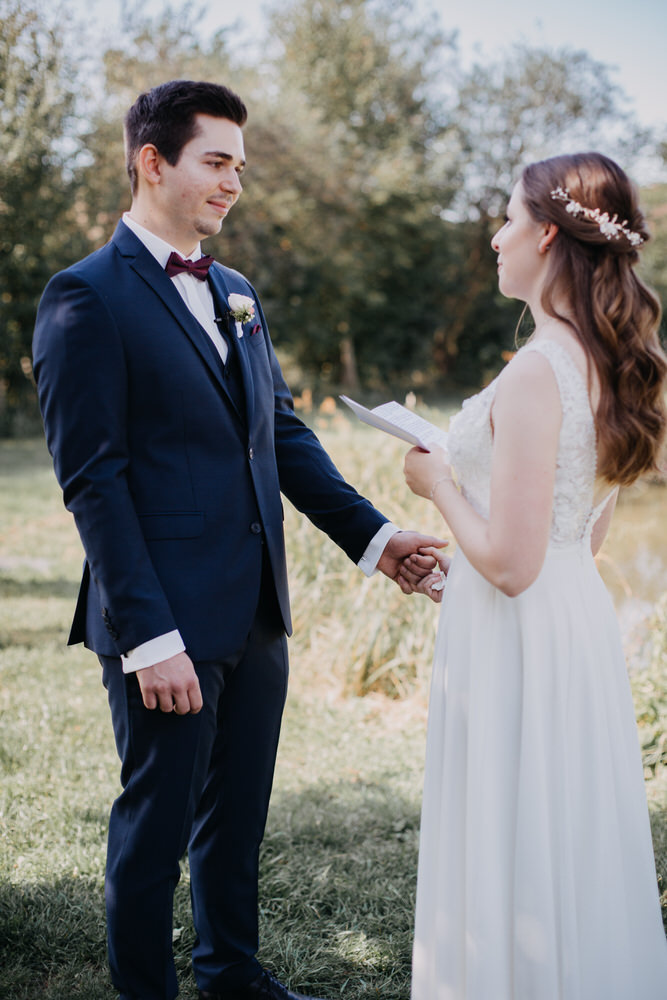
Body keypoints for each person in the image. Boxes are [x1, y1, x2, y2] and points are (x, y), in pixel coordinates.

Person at [32, 80, 444, 1000]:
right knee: (157, 823)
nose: (233, 185)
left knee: (237, 815)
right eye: (216, 163)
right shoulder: (83, 299)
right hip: (163, 618)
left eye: (239, 168)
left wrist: (376, 542)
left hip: (257, 604)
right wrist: (148, 637)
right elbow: (92, 483)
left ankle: (230, 974)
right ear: (152, 162)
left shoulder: (237, 291)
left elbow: (281, 432)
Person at [402, 152, 667, 999]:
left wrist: (436, 479)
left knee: (510, 828)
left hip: (517, 630)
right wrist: (469, 563)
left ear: (547, 234)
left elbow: (514, 568)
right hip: (572, 625)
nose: (494, 236)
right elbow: (575, 541)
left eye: (508, 219)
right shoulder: (608, 363)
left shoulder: (536, 372)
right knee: (564, 828)